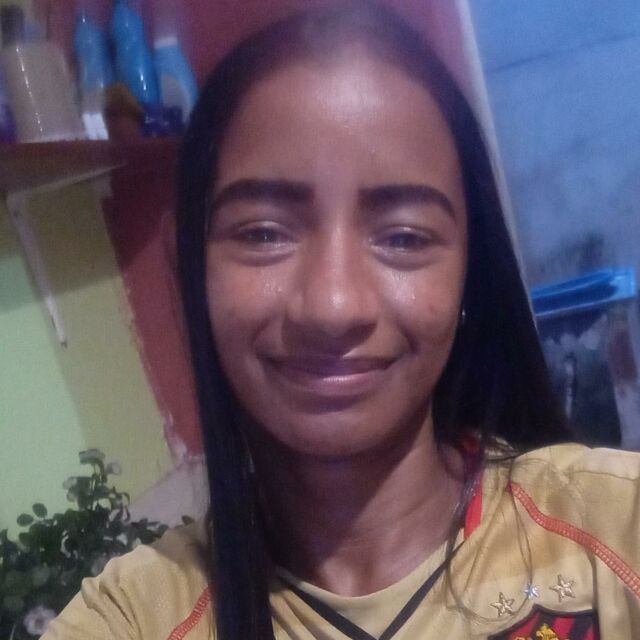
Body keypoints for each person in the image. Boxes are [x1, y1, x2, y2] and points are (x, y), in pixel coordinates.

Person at [43, 2, 640, 639]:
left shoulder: (613, 527)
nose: (333, 306)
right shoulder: (137, 615)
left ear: (470, 272)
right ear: (198, 268)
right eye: (264, 232)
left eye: (405, 237)